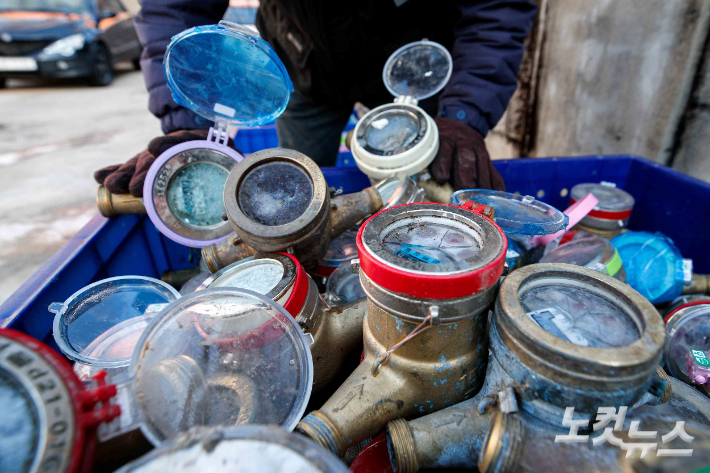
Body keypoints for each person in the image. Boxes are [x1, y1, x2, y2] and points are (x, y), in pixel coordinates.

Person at [95, 0, 537, 196]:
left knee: (429, 182)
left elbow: (495, 11)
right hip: (300, 68)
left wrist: (464, 112)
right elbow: (178, 7)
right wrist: (189, 116)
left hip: (411, 70)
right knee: (294, 184)